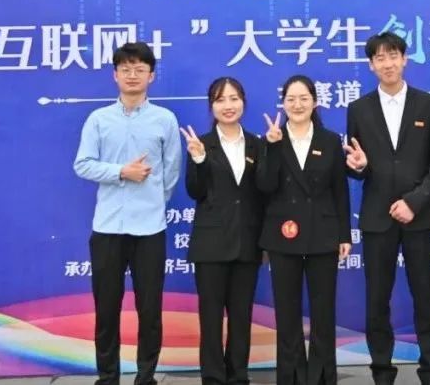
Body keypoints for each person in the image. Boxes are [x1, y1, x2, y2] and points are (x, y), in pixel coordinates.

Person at [344, 32, 430, 385]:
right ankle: (382, 371)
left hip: (419, 217)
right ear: (371, 65)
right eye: (380, 58)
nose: (388, 63)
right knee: (377, 299)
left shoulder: (428, 105)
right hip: (377, 218)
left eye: (393, 56)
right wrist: (357, 167)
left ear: (405, 59)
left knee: (425, 296)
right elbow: (355, 164)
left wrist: (415, 201)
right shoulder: (359, 109)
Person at [73, 42, 182, 385]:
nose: (132, 75)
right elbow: (83, 164)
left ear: (151, 76)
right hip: (108, 228)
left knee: (150, 311)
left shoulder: (164, 119)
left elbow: (171, 172)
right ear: (115, 75)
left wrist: (152, 200)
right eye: (125, 69)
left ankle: (146, 377)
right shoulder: (99, 119)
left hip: (150, 229)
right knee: (106, 309)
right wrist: (122, 172)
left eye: (139, 69)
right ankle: (108, 377)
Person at [258, 75, 351, 385]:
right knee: (287, 312)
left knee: (323, 311)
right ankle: (292, 376)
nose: (297, 105)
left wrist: (344, 234)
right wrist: (272, 148)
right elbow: (265, 186)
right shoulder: (272, 139)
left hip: (323, 234)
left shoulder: (330, 140)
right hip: (282, 235)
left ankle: (322, 376)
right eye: (291, 99)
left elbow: (340, 190)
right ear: (283, 103)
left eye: (303, 98)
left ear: (315, 102)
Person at [180, 77, 265, 385]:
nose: (228, 106)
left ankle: (239, 375)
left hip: (247, 242)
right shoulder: (200, 143)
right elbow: (195, 191)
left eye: (233, 98)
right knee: (211, 317)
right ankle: (214, 377)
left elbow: (264, 190)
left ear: (243, 102)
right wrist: (199, 159)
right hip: (211, 244)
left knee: (242, 316)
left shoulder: (257, 144)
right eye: (220, 100)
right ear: (211, 106)